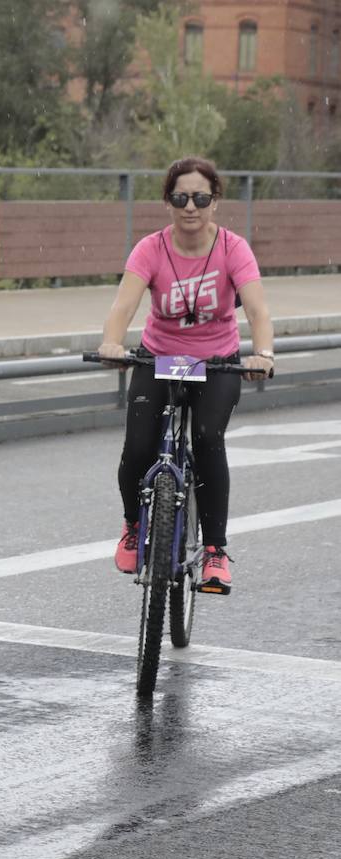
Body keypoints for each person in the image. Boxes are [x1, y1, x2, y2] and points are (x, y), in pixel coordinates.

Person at [97, 156, 275, 590]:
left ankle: (214, 549)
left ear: (215, 201)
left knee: (209, 439)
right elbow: (123, 306)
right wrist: (112, 343)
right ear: (168, 201)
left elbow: (257, 309)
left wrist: (262, 354)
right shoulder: (150, 248)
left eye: (200, 197)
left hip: (216, 362)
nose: (190, 207)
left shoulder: (233, 248)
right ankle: (134, 527)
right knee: (137, 446)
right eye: (180, 197)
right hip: (160, 358)